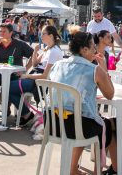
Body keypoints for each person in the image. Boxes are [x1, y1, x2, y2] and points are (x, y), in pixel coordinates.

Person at [48, 31, 118, 175]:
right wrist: (103, 68)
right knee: (105, 124)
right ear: (84, 49)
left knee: (81, 115)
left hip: (52, 123)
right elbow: (110, 94)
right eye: (93, 47)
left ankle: (73, 169)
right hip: (77, 126)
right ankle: (99, 171)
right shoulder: (94, 69)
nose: (95, 50)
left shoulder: (57, 65)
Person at [10, 24, 64, 127]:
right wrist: (35, 51)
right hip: (35, 79)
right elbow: (35, 64)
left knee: (8, 87)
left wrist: (26, 76)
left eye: (43, 34)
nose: (41, 36)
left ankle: (27, 114)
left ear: (51, 36)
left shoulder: (54, 51)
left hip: (41, 83)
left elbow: (45, 75)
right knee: (9, 87)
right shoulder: (48, 49)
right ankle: (26, 114)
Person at [0, 23, 34, 89]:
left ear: (11, 33)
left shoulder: (19, 44)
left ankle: (4, 98)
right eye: (0, 31)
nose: (1, 34)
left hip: (15, 74)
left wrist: (25, 69)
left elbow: (35, 54)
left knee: (9, 87)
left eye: (4, 31)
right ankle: (0, 98)